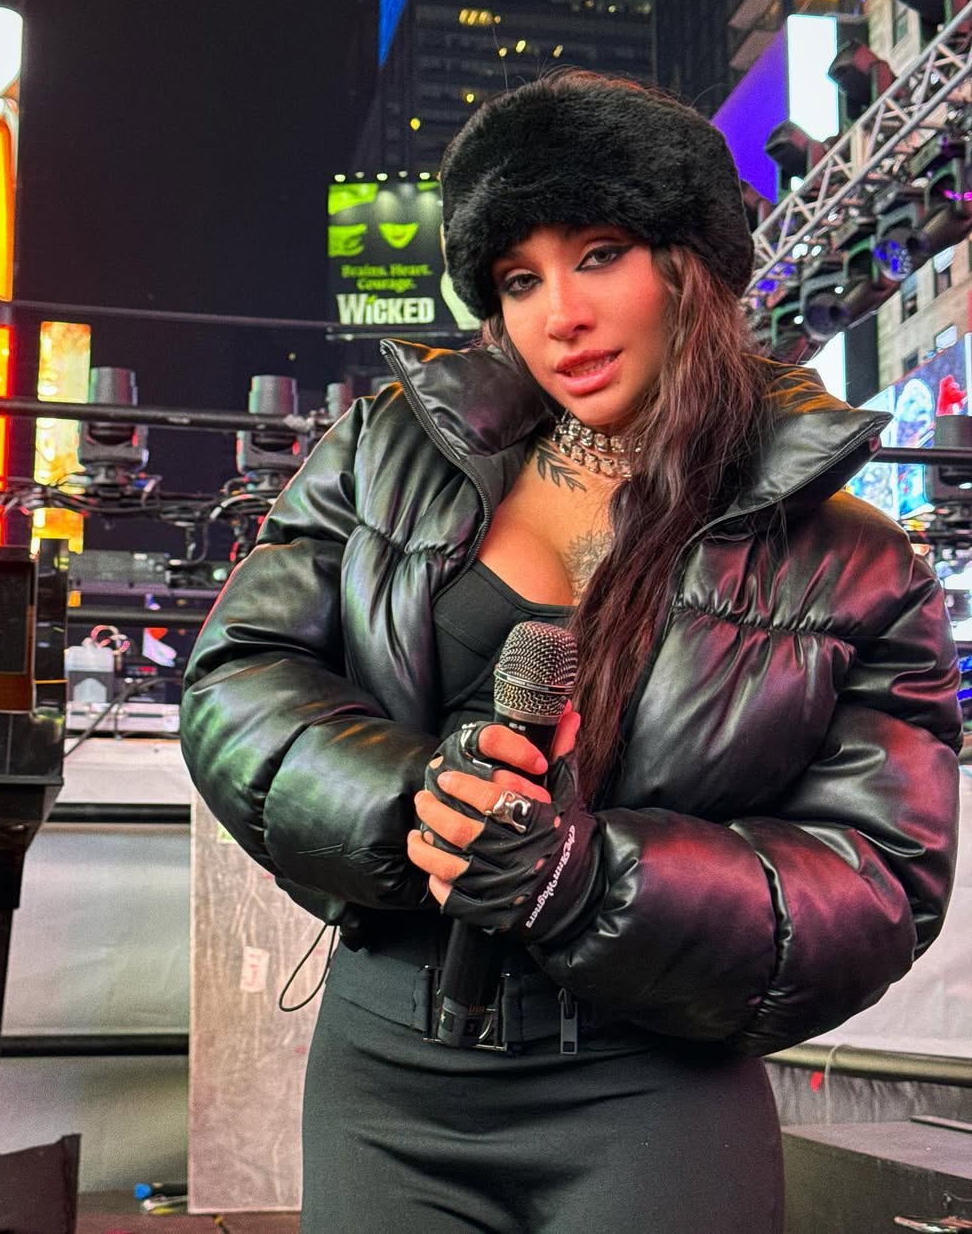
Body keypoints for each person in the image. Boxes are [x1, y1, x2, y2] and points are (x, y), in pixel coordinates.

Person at [180, 70, 961, 1232]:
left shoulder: (854, 560)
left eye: (599, 254)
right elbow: (238, 679)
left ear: (690, 266)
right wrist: (412, 802)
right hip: (387, 1071)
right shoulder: (390, 450)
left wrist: (587, 880)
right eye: (519, 278)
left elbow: (880, 882)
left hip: (654, 1088)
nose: (560, 315)